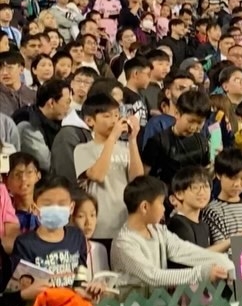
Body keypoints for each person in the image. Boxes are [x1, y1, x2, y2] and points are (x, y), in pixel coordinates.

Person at [110, 176, 232, 289]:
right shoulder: (124, 243)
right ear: (145, 207)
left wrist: (222, 261)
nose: (164, 209)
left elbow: (186, 251)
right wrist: (201, 273)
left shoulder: (159, 231)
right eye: (161, 203)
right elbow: (153, 276)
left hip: (159, 304)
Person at [74, 91, 144, 244]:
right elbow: (97, 175)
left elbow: (137, 179)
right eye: (107, 116)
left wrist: (132, 140)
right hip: (101, 226)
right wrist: (113, 137)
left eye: (116, 115)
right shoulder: (83, 149)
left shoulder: (125, 147)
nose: (114, 120)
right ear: (90, 121)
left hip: (126, 224)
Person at [11, 175, 86, 287]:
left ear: (71, 208)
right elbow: (19, 289)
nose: (55, 209)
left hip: (72, 302)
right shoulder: (24, 244)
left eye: (61, 204)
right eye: (47, 204)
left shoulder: (77, 236)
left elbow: (81, 277)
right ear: (35, 208)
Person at [143, 89, 211, 186]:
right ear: (177, 113)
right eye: (190, 121)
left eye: (199, 123)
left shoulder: (202, 142)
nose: (193, 127)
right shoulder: (158, 141)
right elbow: (143, 177)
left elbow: (205, 174)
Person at [201, 149, 242, 247]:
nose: (237, 184)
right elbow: (218, 248)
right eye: (232, 178)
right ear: (219, 175)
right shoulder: (211, 211)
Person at [14, 79, 72, 172]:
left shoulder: (60, 122)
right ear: (51, 103)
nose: (69, 106)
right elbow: (47, 165)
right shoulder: (28, 126)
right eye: (67, 102)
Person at [70, 191, 109, 278]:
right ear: (71, 219)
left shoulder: (100, 249)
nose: (89, 222)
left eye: (92, 215)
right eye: (81, 216)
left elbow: (106, 282)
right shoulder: (65, 251)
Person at [4, 152, 40, 233]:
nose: (23, 178)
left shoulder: (47, 208)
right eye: (17, 174)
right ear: (6, 181)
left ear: (38, 175)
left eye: (29, 172)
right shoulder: (4, 215)